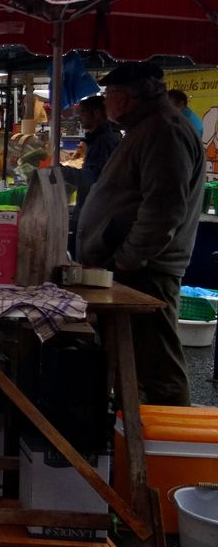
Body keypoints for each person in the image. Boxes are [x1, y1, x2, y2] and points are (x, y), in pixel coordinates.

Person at [78, 62, 206, 405]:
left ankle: (170, 448)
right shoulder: (146, 128)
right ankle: (130, 437)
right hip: (133, 268)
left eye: (108, 96)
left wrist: (130, 258)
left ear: (126, 97)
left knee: (157, 366)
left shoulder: (165, 131)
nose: (104, 103)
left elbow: (163, 209)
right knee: (131, 360)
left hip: (148, 272)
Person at [64, 95, 121, 208]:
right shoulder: (100, 138)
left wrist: (61, 171)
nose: (79, 118)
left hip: (97, 206)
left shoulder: (103, 141)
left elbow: (91, 178)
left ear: (97, 113)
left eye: (82, 113)